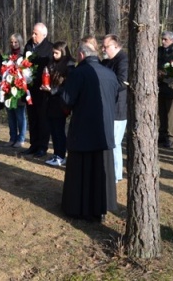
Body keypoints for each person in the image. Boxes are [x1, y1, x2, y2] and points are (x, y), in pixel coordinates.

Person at [60, 43, 119, 221]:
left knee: (82, 171)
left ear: (81, 55)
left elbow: (67, 100)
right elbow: (115, 98)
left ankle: (79, 208)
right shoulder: (110, 73)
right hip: (105, 130)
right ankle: (101, 207)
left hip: (83, 130)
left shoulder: (78, 73)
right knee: (100, 171)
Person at [21, 23, 54, 158]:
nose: (33, 35)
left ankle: (42, 146)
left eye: (36, 34)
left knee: (42, 119)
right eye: (32, 33)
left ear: (44, 35)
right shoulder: (28, 45)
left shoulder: (49, 48)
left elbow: (51, 68)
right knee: (32, 117)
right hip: (29, 89)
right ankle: (33, 145)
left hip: (42, 90)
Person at [41, 41, 75, 167]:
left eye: (56, 53)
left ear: (63, 52)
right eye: (53, 52)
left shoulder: (69, 66)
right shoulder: (51, 63)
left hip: (60, 103)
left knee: (59, 130)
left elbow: (68, 86)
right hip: (50, 101)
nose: (54, 55)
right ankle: (57, 154)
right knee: (53, 130)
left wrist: (53, 90)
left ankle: (61, 155)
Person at [101, 34, 128, 182]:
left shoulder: (123, 60)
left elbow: (122, 82)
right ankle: (108, 171)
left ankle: (116, 174)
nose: (103, 49)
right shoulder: (106, 61)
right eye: (102, 46)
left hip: (118, 108)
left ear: (116, 46)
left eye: (106, 46)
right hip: (108, 106)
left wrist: (104, 88)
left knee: (115, 143)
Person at [4, 33, 28, 148]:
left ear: (20, 42)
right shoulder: (7, 55)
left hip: (19, 89)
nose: (13, 44)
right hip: (8, 89)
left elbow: (27, 72)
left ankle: (21, 138)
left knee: (20, 115)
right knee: (10, 115)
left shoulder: (24, 55)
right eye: (11, 42)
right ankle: (12, 137)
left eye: (16, 42)